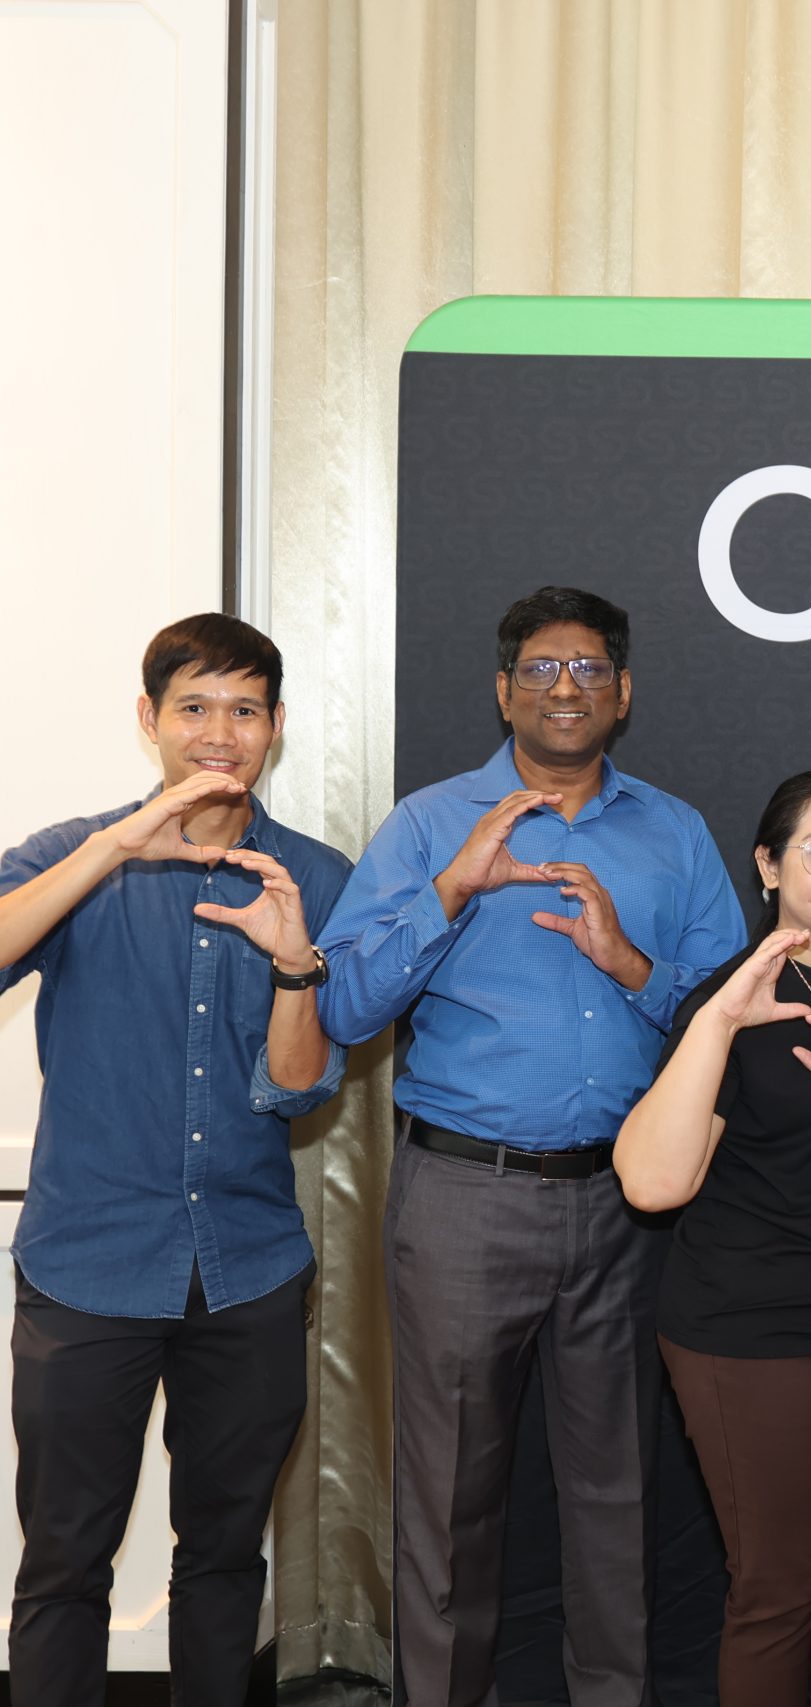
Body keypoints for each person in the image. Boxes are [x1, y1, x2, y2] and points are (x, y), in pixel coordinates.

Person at [315, 585, 746, 1705]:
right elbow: (343, 1007)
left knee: (616, 1494)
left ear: (624, 693)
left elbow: (731, 1017)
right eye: (542, 669)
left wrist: (630, 964)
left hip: (625, 1205)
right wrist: (452, 891)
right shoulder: (429, 825)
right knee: (449, 1494)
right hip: (466, 1196)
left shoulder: (674, 832)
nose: (567, 688)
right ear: (503, 690)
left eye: (590, 668)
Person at [0, 614, 349, 1705]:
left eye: (244, 710)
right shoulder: (73, 853)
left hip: (248, 1268)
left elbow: (303, 1087)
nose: (219, 733)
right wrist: (116, 848)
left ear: (275, 727)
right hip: (86, 1263)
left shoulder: (316, 875)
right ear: (149, 718)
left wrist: (294, 969)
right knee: (64, 1560)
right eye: (194, 706)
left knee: (226, 1555)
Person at [617, 768, 811, 1707]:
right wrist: (719, 1021)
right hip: (753, 1327)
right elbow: (654, 1183)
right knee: (779, 1589)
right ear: (767, 865)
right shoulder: (731, 999)